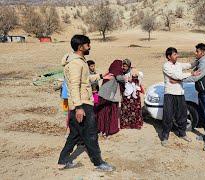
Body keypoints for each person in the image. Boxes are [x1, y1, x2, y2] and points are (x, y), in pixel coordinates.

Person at [57, 35, 115, 171]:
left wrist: (101, 76)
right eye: (87, 44)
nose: (90, 46)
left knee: (75, 134)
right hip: (81, 104)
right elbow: (74, 85)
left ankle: (62, 161)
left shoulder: (79, 61)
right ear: (80, 47)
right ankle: (98, 163)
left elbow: (85, 79)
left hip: (79, 103)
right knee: (91, 134)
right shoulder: (76, 63)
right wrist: (78, 107)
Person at [161, 47, 200, 146]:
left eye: (177, 54)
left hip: (180, 93)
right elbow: (176, 76)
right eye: (174, 54)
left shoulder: (178, 65)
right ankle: (165, 136)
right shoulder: (166, 66)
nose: (177, 56)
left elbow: (189, 65)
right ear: (169, 57)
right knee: (168, 115)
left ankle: (182, 133)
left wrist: (199, 58)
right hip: (170, 93)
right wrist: (190, 74)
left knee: (182, 115)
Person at [181, 43, 205, 152]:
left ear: (203, 52)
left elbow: (196, 78)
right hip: (201, 93)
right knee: (203, 115)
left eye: (197, 51)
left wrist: (180, 79)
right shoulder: (200, 61)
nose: (195, 53)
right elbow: (191, 65)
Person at [96, 60, 124, 137]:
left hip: (102, 97)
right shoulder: (117, 76)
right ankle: (108, 130)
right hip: (111, 98)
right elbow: (124, 79)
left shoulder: (108, 75)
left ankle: (101, 129)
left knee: (102, 113)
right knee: (110, 113)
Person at [120, 59, 144, 129]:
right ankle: (126, 124)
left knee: (135, 109)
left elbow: (139, 78)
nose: (123, 68)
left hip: (134, 94)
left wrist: (132, 79)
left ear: (128, 66)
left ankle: (135, 124)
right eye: (123, 66)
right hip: (126, 93)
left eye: (125, 66)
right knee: (126, 109)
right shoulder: (122, 73)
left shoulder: (134, 71)